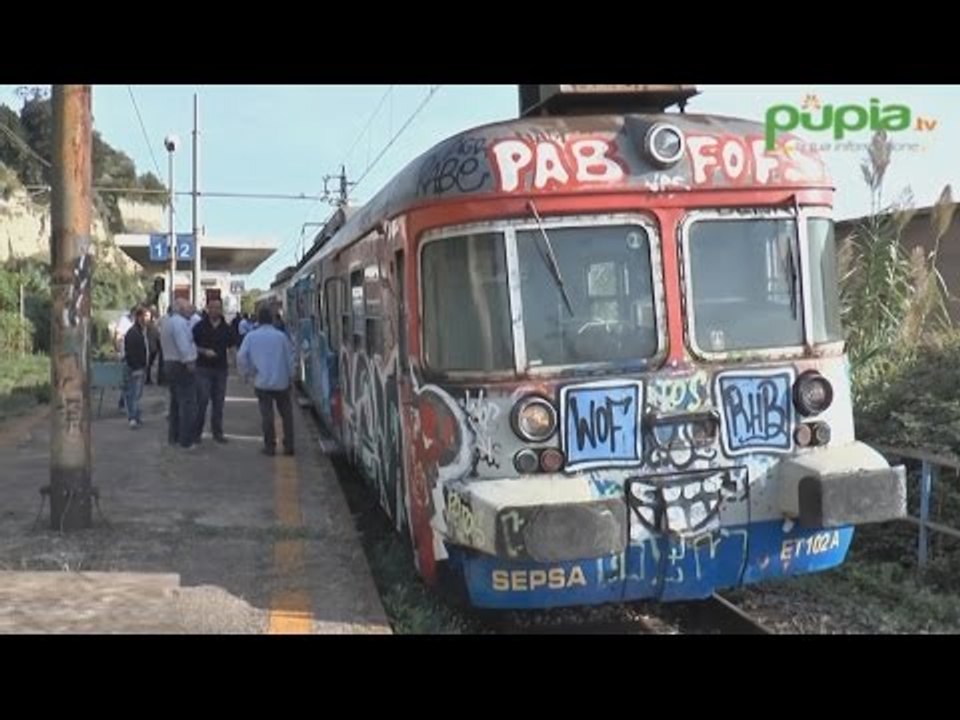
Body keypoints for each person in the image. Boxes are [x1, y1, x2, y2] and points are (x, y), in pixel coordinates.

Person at [237, 306, 296, 456]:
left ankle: (270, 446)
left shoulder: (251, 336)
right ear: (272, 320)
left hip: (262, 382)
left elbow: (241, 356)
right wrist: (291, 376)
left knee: (267, 416)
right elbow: (289, 359)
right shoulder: (281, 336)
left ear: (258, 320)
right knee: (286, 415)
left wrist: (246, 373)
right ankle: (289, 446)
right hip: (281, 382)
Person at [192, 297, 234, 444]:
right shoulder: (199, 327)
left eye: (217, 307)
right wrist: (203, 351)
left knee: (218, 403)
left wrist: (234, 362)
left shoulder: (227, 328)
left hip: (221, 370)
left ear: (221, 309)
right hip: (203, 369)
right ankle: (196, 433)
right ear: (207, 308)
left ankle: (217, 433)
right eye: (212, 307)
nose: (215, 310)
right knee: (202, 401)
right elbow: (191, 345)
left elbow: (232, 346)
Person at [159, 298, 199, 450]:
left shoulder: (168, 322)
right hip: (180, 364)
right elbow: (183, 345)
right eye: (188, 307)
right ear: (181, 309)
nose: (191, 310)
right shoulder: (180, 323)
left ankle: (174, 436)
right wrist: (190, 362)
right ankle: (186, 440)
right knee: (188, 404)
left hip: (169, 363)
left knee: (175, 403)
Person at [123, 307, 150, 428]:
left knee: (136, 394)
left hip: (139, 366)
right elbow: (131, 351)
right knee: (134, 393)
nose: (147, 320)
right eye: (145, 317)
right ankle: (133, 417)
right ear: (139, 317)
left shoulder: (139, 331)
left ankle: (136, 415)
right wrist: (136, 367)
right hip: (136, 367)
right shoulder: (134, 333)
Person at [144, 306, 162, 385]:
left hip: (153, 346)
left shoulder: (153, 324)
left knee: (150, 364)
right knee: (148, 364)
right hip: (150, 346)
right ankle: (147, 378)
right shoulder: (149, 325)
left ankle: (148, 378)